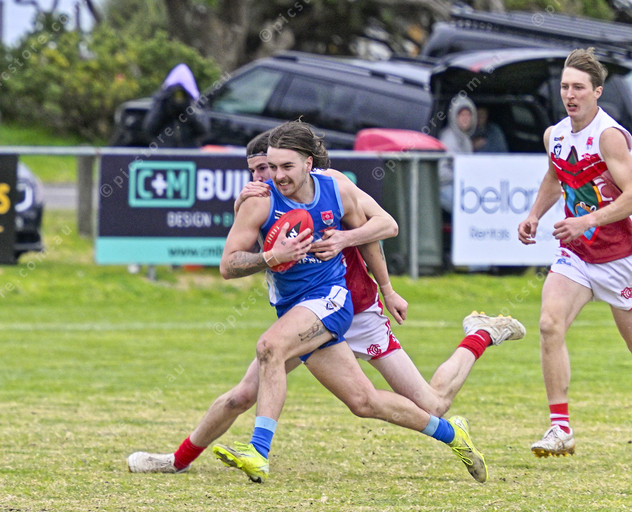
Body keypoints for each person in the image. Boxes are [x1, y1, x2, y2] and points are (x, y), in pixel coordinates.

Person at [127, 121, 524, 484]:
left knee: (430, 403)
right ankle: (178, 460)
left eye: (271, 167)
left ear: (305, 163)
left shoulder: (333, 186)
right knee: (298, 397)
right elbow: (233, 261)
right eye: (258, 170)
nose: (265, 178)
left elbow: (384, 227)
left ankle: (479, 335)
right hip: (302, 313)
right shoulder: (261, 200)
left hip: (356, 307)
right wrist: (258, 235)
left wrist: (381, 282)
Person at [517, 48, 632, 458]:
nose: (570, 95)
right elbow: (555, 177)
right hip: (577, 256)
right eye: (565, 87)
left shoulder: (608, 136)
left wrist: (588, 220)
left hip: (621, 257)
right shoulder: (555, 134)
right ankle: (560, 428)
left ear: (597, 92)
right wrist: (534, 214)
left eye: (579, 87)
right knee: (549, 325)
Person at [143, 63, 209, 148]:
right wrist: (164, 106)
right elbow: (150, 129)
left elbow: (203, 131)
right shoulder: (162, 102)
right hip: (165, 152)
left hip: (189, 152)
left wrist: (188, 111)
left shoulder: (197, 103)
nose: (179, 98)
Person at [438, 96, 477, 215]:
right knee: (465, 205)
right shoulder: (448, 139)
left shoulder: (466, 140)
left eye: (468, 115)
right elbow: (441, 173)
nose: (465, 119)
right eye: (461, 115)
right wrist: (460, 175)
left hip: (461, 186)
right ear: (454, 117)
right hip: (444, 188)